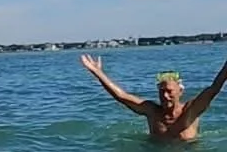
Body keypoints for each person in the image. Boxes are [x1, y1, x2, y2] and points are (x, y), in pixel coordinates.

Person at [79, 53, 227, 142]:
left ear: (180, 91)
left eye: (169, 91)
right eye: (161, 91)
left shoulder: (191, 110)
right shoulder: (152, 111)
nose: (165, 96)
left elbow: (214, 88)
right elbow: (121, 96)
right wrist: (97, 72)